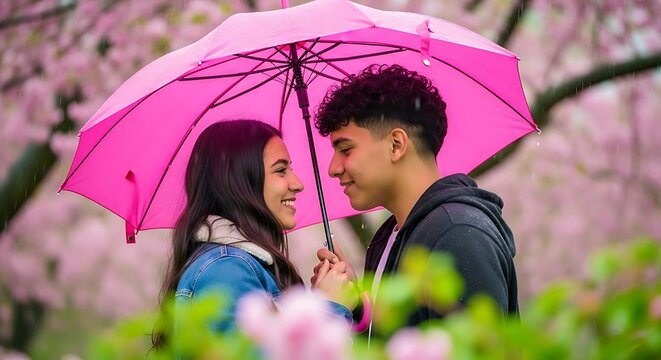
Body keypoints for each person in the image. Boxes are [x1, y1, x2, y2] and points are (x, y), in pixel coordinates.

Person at [312, 64, 519, 329]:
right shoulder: (391, 237)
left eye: (345, 149)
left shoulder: (456, 234)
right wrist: (355, 307)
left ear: (396, 145)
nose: (333, 168)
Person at [154, 120, 353, 347]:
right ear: (237, 181)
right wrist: (329, 308)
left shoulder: (242, 266)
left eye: (291, 169)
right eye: (280, 170)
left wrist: (346, 304)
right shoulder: (225, 271)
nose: (297, 184)